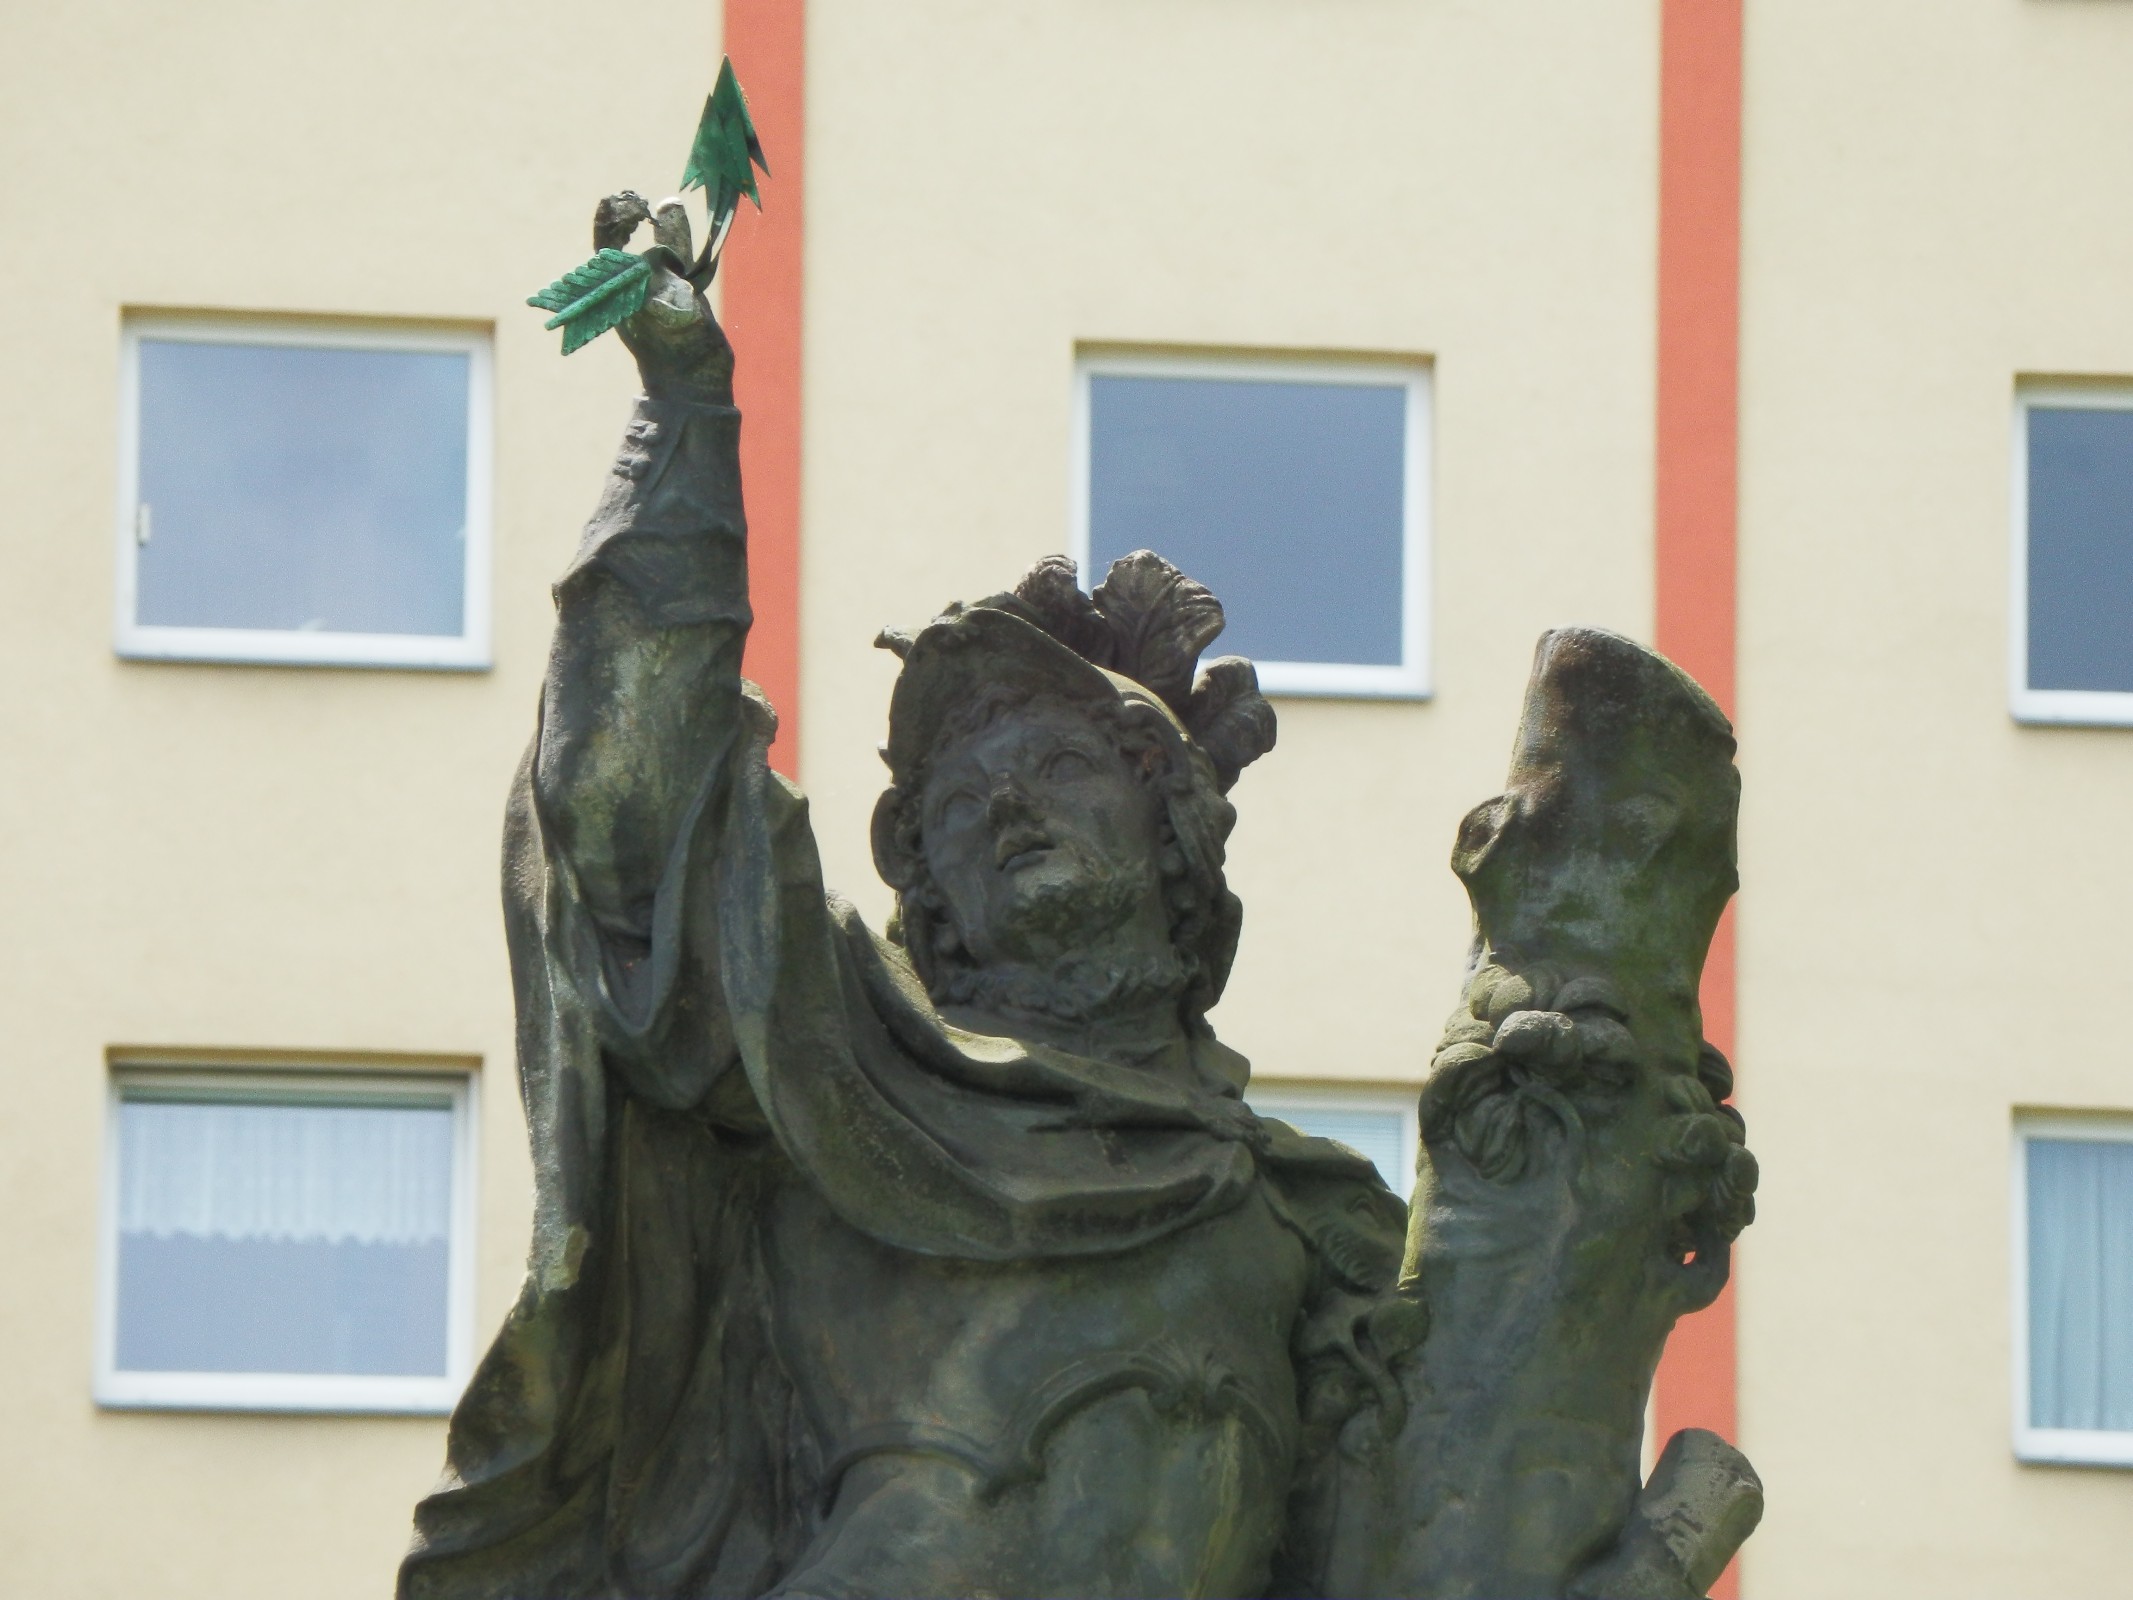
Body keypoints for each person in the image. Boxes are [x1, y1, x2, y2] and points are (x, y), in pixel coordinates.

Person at [397, 207, 1410, 1600]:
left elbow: (1426, 1545)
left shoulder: (1302, 1219)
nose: (1007, 808)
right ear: (924, 887)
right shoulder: (842, 1079)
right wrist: (684, 424)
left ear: (1171, 822)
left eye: (1058, 765)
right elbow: (635, 828)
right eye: (957, 804)